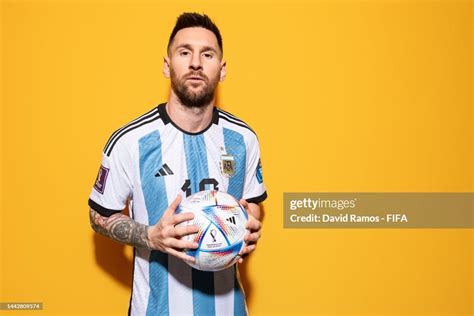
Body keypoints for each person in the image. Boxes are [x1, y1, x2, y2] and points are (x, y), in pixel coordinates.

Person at [88, 12, 267, 316]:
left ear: (221, 70)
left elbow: (253, 205)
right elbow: (98, 215)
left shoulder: (243, 139)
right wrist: (150, 236)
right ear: (167, 64)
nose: (195, 63)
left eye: (207, 54)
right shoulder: (131, 141)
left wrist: (248, 227)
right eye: (184, 52)